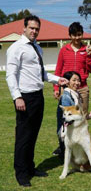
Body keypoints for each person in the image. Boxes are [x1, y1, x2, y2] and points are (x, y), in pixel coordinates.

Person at [6, 15, 68, 187]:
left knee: (33, 136)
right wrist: (17, 96)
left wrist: (58, 80)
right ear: (24, 28)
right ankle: (21, 173)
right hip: (24, 98)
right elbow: (10, 75)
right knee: (23, 137)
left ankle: (30, 167)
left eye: (36, 29)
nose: (34, 31)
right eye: (31, 28)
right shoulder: (16, 48)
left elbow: (42, 74)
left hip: (37, 97)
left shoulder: (37, 48)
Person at [53, 22, 91, 155]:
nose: (77, 37)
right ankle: (63, 146)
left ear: (82, 34)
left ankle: (83, 146)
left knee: (82, 118)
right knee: (65, 118)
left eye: (79, 34)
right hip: (66, 89)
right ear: (70, 35)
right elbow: (58, 69)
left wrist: (89, 56)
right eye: (74, 35)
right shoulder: (64, 50)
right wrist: (56, 87)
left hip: (82, 89)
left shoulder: (86, 49)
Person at [56, 71, 91, 158]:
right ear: (67, 81)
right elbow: (67, 119)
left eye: (78, 80)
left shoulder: (75, 94)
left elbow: (76, 116)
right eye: (74, 80)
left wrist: (87, 116)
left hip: (75, 130)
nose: (77, 83)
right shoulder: (66, 96)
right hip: (68, 132)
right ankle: (65, 148)